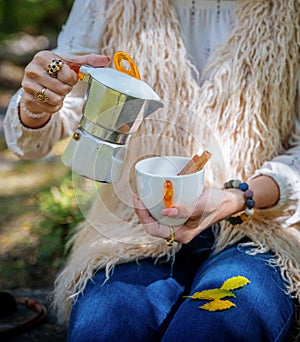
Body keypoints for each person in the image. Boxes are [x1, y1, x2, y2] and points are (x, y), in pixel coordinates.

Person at [4, 0, 300, 341]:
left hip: (258, 232)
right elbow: (33, 141)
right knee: (105, 330)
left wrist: (240, 196)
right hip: (131, 231)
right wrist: (37, 102)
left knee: (214, 328)